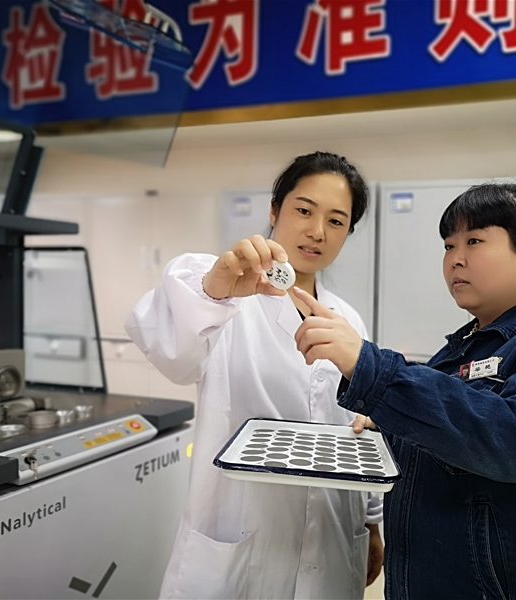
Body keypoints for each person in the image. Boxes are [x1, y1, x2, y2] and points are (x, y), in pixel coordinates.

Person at [292, 183, 516, 599]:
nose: (456, 259)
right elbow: (453, 439)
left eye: (474, 241)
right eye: (449, 246)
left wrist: (371, 369)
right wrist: (390, 422)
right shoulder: (457, 353)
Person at [126, 151, 383, 599]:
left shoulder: (349, 320)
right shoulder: (225, 299)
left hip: (333, 538)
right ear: (274, 210)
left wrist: (372, 523)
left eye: (336, 221)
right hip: (238, 547)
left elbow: (359, 428)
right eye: (304, 210)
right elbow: (173, 354)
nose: (317, 231)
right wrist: (213, 290)